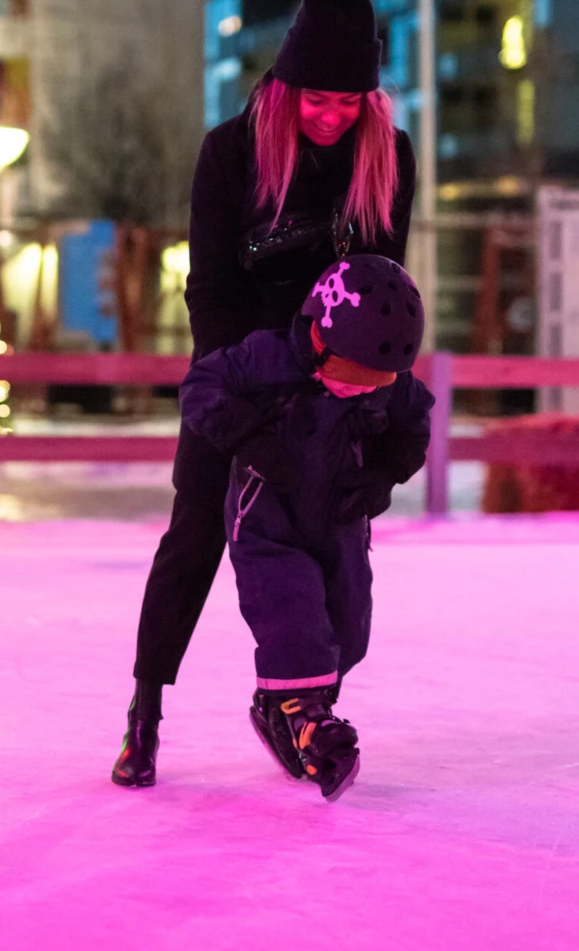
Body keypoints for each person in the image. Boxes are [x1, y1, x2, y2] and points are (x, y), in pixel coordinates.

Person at [112, 0, 416, 788]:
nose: (328, 116)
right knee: (193, 543)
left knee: (330, 556)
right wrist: (245, 407)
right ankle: (145, 712)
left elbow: (388, 292)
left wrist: (375, 427)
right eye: (315, 98)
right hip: (240, 379)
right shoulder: (231, 153)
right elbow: (208, 291)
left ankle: (295, 712)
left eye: (347, 102)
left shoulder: (388, 159)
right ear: (285, 84)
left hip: (335, 392)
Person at [178, 255, 433, 801]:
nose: (358, 391)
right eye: (349, 378)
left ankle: (287, 705)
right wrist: (250, 439)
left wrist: (384, 476)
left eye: (374, 384)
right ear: (319, 335)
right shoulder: (267, 357)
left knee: (347, 625)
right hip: (267, 515)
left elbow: (414, 423)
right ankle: (309, 721)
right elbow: (201, 386)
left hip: (340, 518)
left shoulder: (384, 383)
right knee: (292, 613)